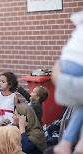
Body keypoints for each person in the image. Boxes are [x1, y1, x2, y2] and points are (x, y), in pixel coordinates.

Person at [51, 11, 83, 154]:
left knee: (80, 106)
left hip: (66, 61)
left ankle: (67, 142)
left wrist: (59, 77)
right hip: (78, 63)